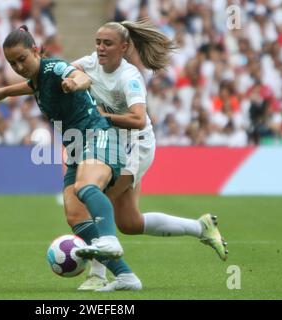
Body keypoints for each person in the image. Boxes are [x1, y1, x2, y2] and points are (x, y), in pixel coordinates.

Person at [0, 25, 142, 292]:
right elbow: (32, 85)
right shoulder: (38, 79)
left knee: (86, 187)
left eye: (22, 59)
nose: (18, 66)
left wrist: (76, 82)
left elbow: (78, 76)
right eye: (12, 63)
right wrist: (4, 92)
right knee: (75, 215)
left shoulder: (54, 68)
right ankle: (125, 277)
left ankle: (110, 239)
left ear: (35, 51)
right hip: (76, 147)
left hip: (98, 135)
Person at [69, 19, 228, 291]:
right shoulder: (91, 62)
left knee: (94, 199)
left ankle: (98, 275)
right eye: (98, 42)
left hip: (136, 145)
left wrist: (101, 116)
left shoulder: (130, 77)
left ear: (124, 47)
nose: (100, 48)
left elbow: (139, 119)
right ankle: (201, 228)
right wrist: (64, 78)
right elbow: (64, 72)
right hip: (114, 142)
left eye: (107, 43)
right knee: (129, 222)